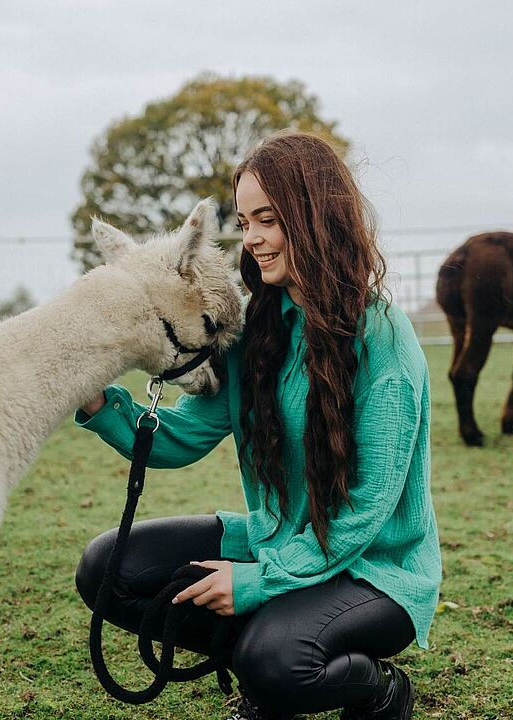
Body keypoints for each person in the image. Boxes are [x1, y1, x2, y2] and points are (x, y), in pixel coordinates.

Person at [74, 130, 441, 720]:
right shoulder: (255, 332)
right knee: (108, 568)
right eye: (245, 223)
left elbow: (369, 507)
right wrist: (97, 403)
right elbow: (179, 437)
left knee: (277, 660)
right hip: (278, 537)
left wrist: (258, 581)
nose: (253, 240)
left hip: (376, 568)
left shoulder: (383, 340)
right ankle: (261, 663)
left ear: (314, 216)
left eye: (267, 220)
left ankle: (374, 690)